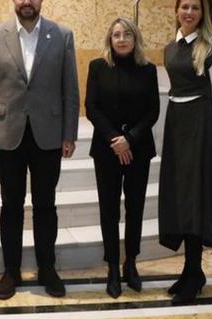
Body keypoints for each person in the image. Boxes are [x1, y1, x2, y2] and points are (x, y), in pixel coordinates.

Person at [0, 0, 79, 300]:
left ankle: (47, 268)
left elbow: (71, 90)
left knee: (46, 205)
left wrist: (69, 133)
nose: (27, 1)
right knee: (11, 206)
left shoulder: (61, 35)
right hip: (7, 134)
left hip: (48, 134)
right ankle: (11, 270)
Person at [159, 0, 212, 305]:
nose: (189, 12)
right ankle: (191, 272)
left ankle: (194, 270)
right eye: (184, 7)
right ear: (176, 11)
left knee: (196, 201)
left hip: (202, 129)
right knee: (180, 198)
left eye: (195, 8)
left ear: (202, 14)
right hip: (177, 125)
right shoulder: (169, 48)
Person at [85, 17, 160, 298]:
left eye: (127, 34)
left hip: (138, 148)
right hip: (106, 149)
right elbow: (91, 107)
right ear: (110, 39)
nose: (121, 39)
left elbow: (153, 110)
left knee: (135, 208)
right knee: (109, 210)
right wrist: (115, 139)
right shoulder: (98, 67)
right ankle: (113, 267)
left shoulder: (148, 69)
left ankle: (132, 262)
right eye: (116, 34)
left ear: (135, 38)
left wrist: (130, 139)